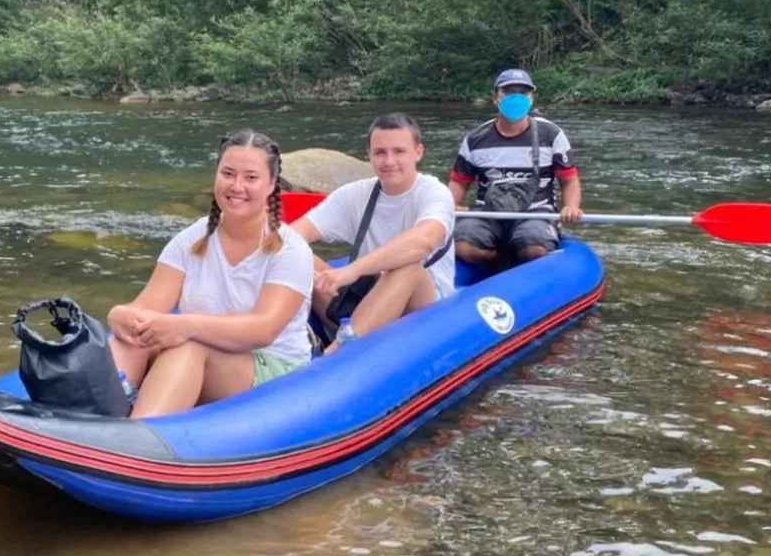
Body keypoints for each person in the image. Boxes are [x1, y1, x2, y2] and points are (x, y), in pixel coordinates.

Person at [106, 131, 313, 417]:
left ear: (271, 185)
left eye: (250, 177)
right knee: (132, 336)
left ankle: (135, 438)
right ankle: (100, 420)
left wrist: (187, 325)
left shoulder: (290, 250)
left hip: (271, 366)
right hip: (204, 350)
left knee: (188, 347)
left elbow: (264, 329)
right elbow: (147, 307)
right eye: (228, 174)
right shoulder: (189, 240)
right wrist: (120, 314)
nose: (237, 186)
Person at [292, 114, 455, 350]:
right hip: (365, 297)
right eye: (380, 152)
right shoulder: (354, 194)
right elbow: (294, 234)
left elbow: (424, 242)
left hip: (421, 305)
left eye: (399, 152)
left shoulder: (435, 193)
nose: (389, 161)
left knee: (407, 267)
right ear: (369, 155)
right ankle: (288, 341)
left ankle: (333, 358)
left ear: (418, 152)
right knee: (297, 255)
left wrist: (353, 270)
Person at [450, 69, 583, 266]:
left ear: (532, 98)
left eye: (523, 92)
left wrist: (571, 206)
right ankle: (499, 261)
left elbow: (569, 180)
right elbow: (459, 181)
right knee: (463, 248)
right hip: (488, 213)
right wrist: (449, 204)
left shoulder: (551, 134)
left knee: (534, 249)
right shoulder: (476, 138)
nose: (517, 97)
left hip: (536, 211)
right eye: (509, 92)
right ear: (496, 98)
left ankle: (526, 255)